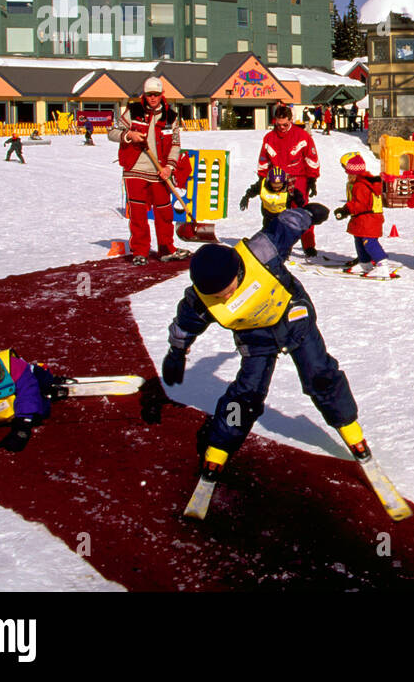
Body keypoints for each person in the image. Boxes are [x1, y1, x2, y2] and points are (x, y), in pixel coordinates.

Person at [159, 203, 372, 487]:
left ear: (236, 270)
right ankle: (220, 445)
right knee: (246, 394)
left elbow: (285, 226)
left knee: (319, 374)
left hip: (293, 319)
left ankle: (350, 429)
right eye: (218, 296)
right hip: (255, 338)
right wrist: (177, 351)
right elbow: (186, 323)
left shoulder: (261, 252)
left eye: (228, 290)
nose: (224, 298)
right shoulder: (202, 299)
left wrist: (308, 213)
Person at [109, 76, 188, 266]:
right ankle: (140, 251)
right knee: (138, 213)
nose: (153, 98)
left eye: (156, 94)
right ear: (145, 95)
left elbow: (176, 145)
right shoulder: (133, 111)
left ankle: (166, 249)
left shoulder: (171, 117)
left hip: (159, 171)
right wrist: (129, 135)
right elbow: (112, 133)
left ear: (162, 95)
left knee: (164, 212)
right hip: (135, 170)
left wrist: (169, 167)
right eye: (149, 94)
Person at [257, 104, 322, 258]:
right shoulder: (269, 138)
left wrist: (312, 179)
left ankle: (308, 245)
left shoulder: (302, 136)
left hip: (298, 177)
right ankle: (279, 244)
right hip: (277, 179)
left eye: (285, 125)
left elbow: (311, 158)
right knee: (276, 213)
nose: (282, 128)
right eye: (278, 125)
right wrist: (262, 178)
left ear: (291, 121)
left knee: (301, 212)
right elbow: (263, 160)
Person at [334, 152, 397, 277]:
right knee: (358, 238)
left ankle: (382, 265)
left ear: (353, 173)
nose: (347, 176)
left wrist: (345, 210)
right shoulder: (358, 183)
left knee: (369, 241)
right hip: (362, 218)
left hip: (369, 218)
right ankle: (365, 263)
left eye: (348, 173)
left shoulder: (361, 185)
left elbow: (360, 204)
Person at [239, 165, 315, 234]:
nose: (276, 187)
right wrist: (246, 198)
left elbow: (299, 200)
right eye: (274, 184)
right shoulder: (262, 185)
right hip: (268, 216)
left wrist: (303, 210)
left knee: (282, 236)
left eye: (279, 185)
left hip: (283, 218)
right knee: (267, 234)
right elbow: (252, 190)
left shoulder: (289, 188)